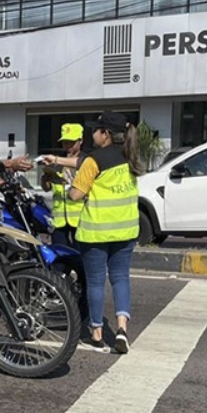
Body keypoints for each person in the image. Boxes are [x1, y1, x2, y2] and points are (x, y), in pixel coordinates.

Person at [67, 111, 142, 354]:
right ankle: (121, 329)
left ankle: (97, 332)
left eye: (96, 130)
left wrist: (74, 187)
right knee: (121, 279)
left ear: (106, 134)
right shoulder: (131, 157)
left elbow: (75, 195)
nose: (92, 133)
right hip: (126, 230)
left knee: (96, 282)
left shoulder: (94, 160)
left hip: (96, 233)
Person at [40, 123, 86, 248]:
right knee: (60, 255)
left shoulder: (86, 161)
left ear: (80, 141)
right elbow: (47, 188)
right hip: (59, 219)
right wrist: (46, 179)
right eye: (65, 142)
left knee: (81, 256)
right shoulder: (56, 161)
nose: (67, 146)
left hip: (80, 219)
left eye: (71, 142)